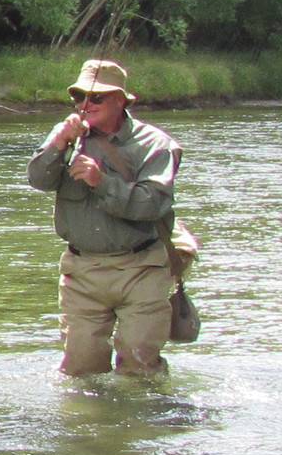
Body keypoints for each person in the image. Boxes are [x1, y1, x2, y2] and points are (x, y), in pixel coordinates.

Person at [27, 59, 182, 377]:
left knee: (139, 363)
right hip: (82, 272)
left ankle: (144, 423)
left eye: (96, 97)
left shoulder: (156, 145)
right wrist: (58, 144)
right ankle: (90, 424)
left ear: (122, 100)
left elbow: (153, 204)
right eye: (79, 97)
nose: (85, 104)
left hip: (142, 268)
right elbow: (38, 181)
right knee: (81, 368)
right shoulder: (66, 136)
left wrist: (102, 182)